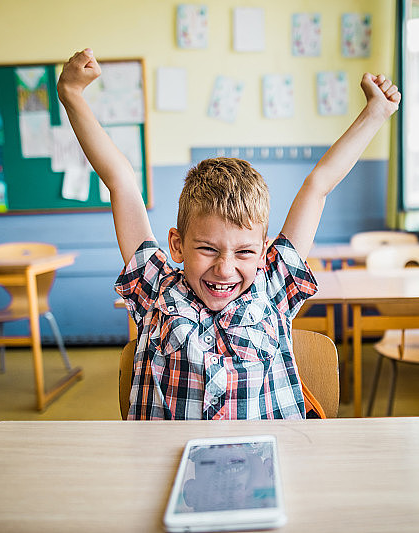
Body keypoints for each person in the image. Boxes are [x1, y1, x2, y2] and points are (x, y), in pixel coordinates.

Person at [57, 48, 400, 420]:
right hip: (164, 467)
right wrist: (72, 97)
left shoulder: (273, 284)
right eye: (207, 249)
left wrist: (375, 113)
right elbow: (120, 182)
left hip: (265, 462)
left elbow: (318, 185)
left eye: (244, 253)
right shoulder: (156, 287)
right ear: (177, 245)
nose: (224, 269)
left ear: (264, 251)